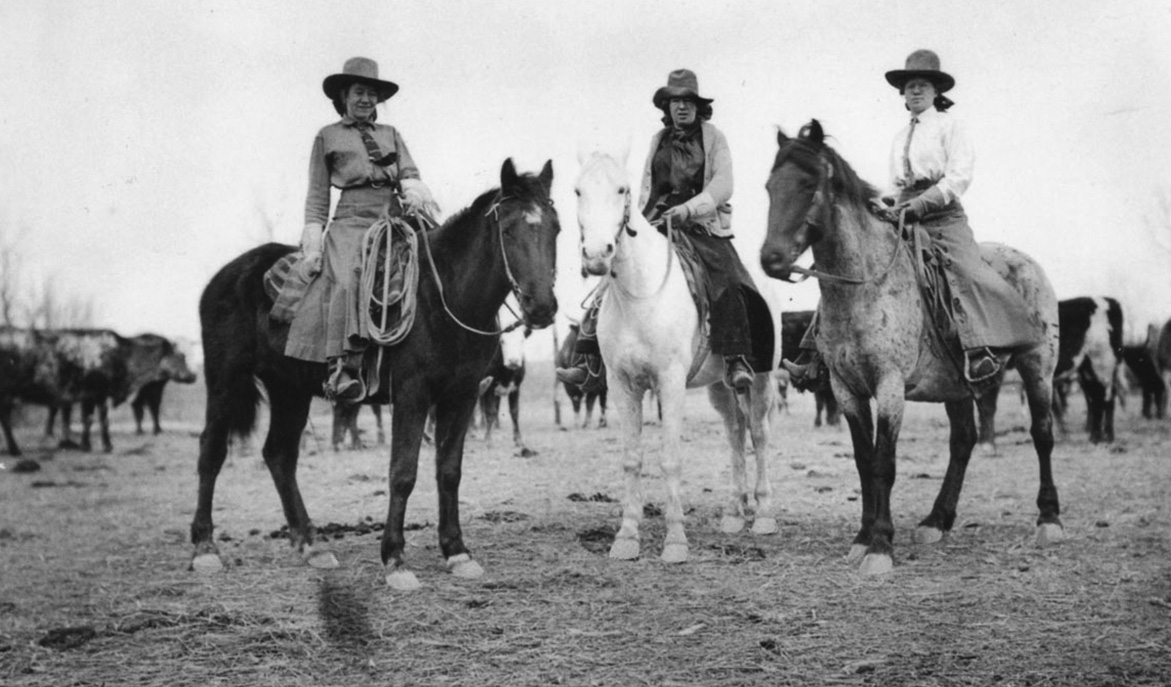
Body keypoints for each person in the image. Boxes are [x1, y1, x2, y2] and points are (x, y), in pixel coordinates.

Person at [784, 49, 1037, 385]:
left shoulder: (950, 126)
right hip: (902, 211)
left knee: (965, 270)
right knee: (854, 262)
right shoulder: (900, 136)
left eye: (923, 85)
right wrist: (883, 205)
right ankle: (815, 352)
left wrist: (924, 203)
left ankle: (979, 350)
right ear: (902, 94)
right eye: (909, 86)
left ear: (936, 92)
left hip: (943, 214)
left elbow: (959, 176)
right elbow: (894, 184)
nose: (915, 91)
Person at [557, 68, 759, 392]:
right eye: (675, 101)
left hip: (702, 226)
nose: (681, 107)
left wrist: (690, 209)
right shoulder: (658, 141)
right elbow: (646, 188)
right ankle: (586, 358)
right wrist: (641, 222)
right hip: (658, 224)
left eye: (688, 101)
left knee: (728, 279)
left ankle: (736, 359)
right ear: (667, 106)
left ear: (698, 105)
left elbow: (724, 184)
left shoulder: (714, 138)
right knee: (612, 277)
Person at [283, 57, 438, 402]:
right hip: (352, 218)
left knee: (440, 259)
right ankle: (344, 367)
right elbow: (318, 194)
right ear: (344, 95)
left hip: (394, 214)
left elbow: (409, 172)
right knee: (351, 275)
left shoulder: (391, 135)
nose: (366, 99)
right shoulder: (328, 136)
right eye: (358, 92)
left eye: (371, 93)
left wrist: (413, 189)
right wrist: (313, 241)